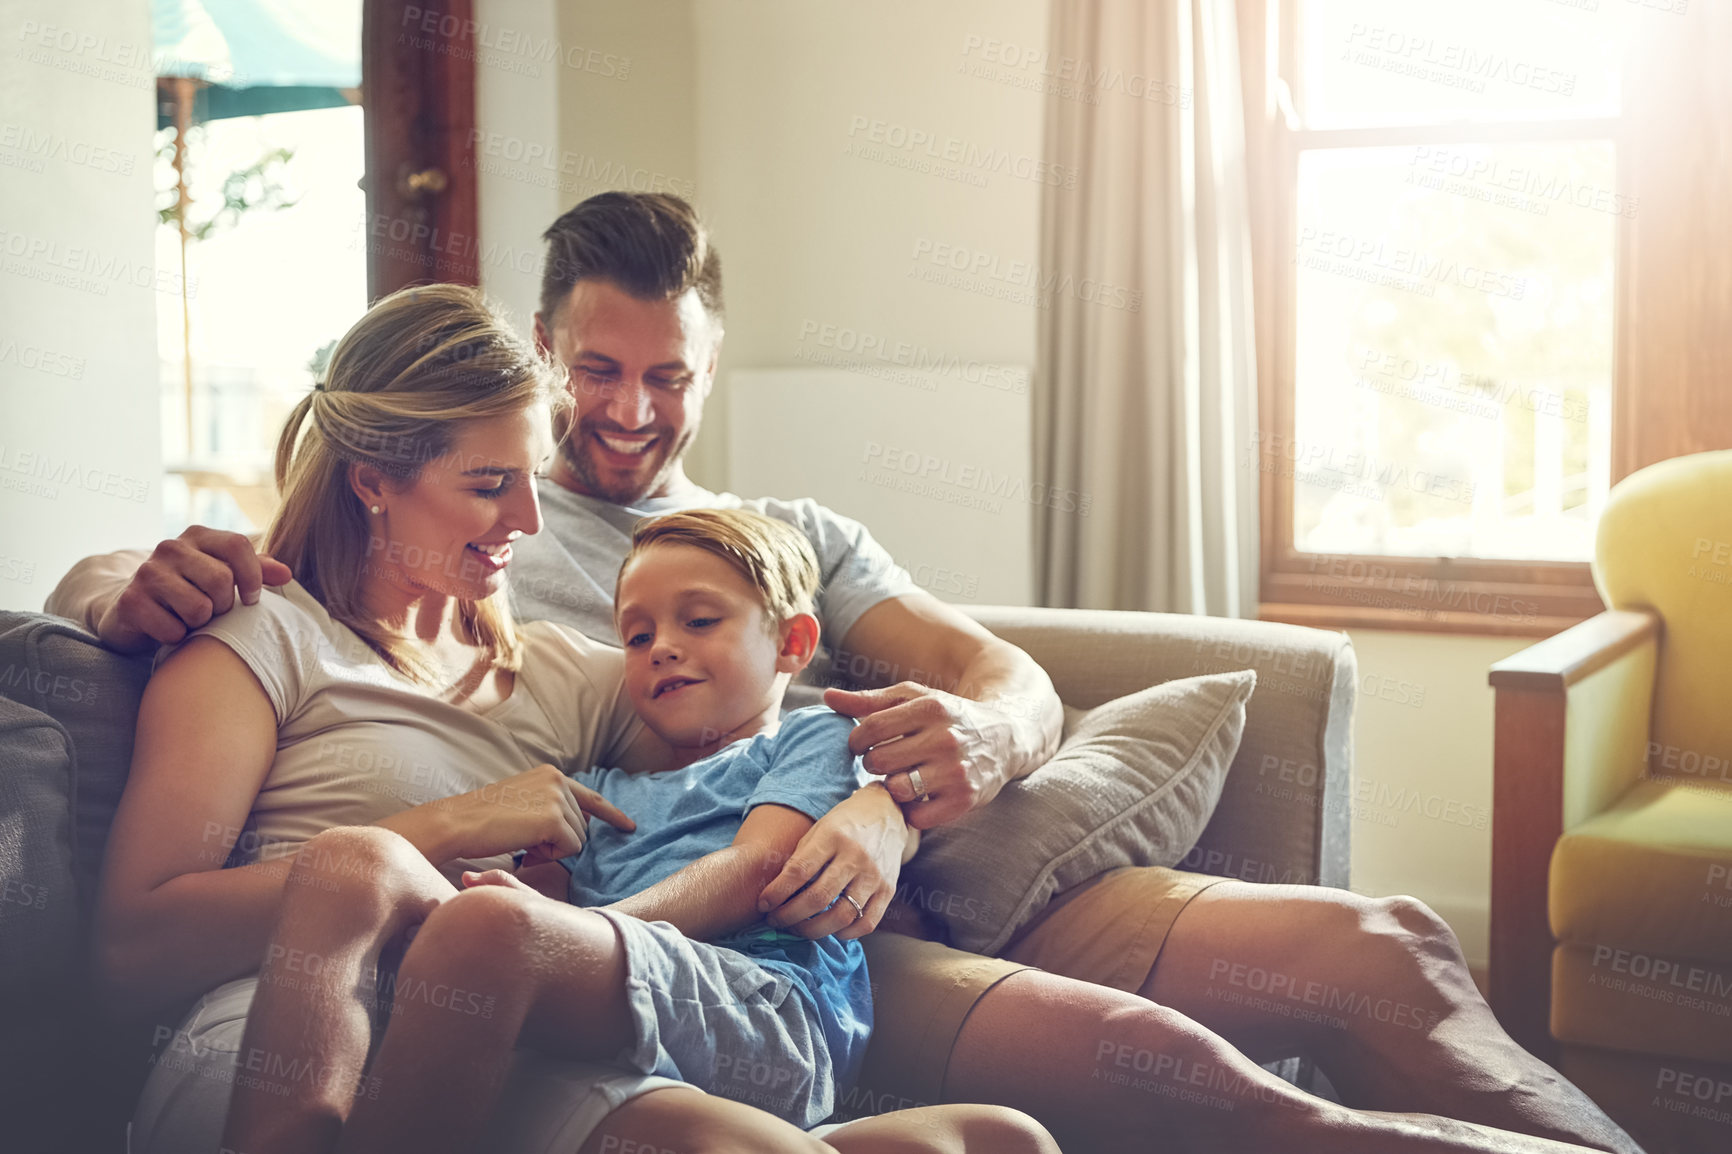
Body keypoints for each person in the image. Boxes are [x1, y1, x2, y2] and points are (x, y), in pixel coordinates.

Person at [61, 194, 1642, 1153]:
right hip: (665, 942)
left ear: (713, 367)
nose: (621, 421)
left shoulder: (715, 577)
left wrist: (907, 801)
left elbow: (970, 684)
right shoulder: (454, 610)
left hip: (845, 892)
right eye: (593, 376)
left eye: (668, 374)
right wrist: (117, 580)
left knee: (1386, 947)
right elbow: (162, 640)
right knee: (1179, 1085)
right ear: (541, 365)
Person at [102, 283, 1041, 1154]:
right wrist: (441, 829)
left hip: (501, 1018)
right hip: (274, 1023)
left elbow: (764, 768)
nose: (530, 520)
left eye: (530, 477)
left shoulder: (575, 678)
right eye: (486, 485)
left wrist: (880, 812)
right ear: (373, 479)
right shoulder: (261, 635)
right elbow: (132, 952)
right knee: (372, 872)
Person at [221, 506, 1060, 1154]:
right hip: (625, 1008)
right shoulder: (597, 787)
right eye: (637, 633)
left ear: (793, 643)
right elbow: (539, 896)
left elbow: (759, 864)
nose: (662, 648)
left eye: (699, 622)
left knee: (496, 930)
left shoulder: (811, 739)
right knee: (351, 858)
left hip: (768, 1007)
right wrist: (519, 899)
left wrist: (555, 930)